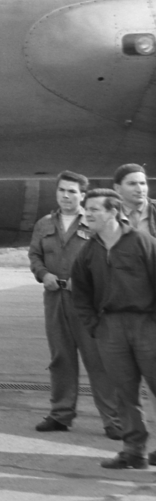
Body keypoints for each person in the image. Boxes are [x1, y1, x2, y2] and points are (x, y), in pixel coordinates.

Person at [30, 171, 121, 436]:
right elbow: (35, 255)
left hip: (87, 304)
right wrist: (43, 274)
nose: (66, 196)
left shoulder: (96, 221)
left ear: (83, 195)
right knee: (61, 359)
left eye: (72, 191)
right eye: (62, 190)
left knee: (98, 361)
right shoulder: (44, 224)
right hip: (55, 300)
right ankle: (61, 415)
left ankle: (113, 421)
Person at [71, 189, 156, 470]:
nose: (87, 213)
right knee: (124, 392)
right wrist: (96, 327)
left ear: (113, 211)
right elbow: (81, 294)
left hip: (147, 325)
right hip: (110, 329)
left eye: (94, 208)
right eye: (86, 209)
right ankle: (134, 451)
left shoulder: (143, 242)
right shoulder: (88, 251)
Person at [113, 163, 154, 236]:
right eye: (132, 184)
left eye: (142, 183)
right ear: (117, 188)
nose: (140, 189)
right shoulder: (110, 213)